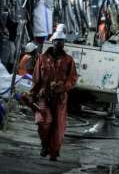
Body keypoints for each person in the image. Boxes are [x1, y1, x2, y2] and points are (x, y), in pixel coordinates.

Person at [29, 30, 77, 161]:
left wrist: (62, 86)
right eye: (57, 41)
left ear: (64, 43)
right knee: (43, 123)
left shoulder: (68, 60)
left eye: (61, 41)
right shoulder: (42, 58)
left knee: (58, 127)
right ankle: (44, 145)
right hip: (44, 96)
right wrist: (32, 94)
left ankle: (54, 153)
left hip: (60, 99)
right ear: (52, 42)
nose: (59, 43)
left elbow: (72, 78)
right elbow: (36, 78)